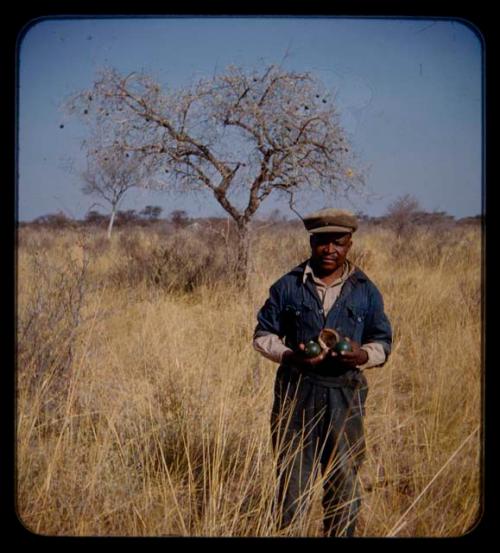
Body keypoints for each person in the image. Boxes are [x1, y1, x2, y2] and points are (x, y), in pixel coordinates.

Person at [253, 208, 392, 537]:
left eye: (338, 242)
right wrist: (290, 356)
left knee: (343, 478)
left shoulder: (365, 289)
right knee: (292, 480)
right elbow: (263, 336)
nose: (330, 249)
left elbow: (383, 341)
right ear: (312, 242)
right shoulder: (287, 286)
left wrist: (361, 355)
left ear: (350, 244)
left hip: (345, 392)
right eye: (322, 242)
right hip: (296, 392)